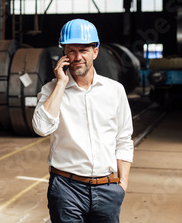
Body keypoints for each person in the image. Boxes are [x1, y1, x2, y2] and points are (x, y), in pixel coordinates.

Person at [32, 19, 133, 223]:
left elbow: (124, 139)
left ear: (95, 51)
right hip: (66, 189)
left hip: (108, 189)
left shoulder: (114, 91)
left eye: (84, 50)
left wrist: (122, 184)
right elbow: (41, 128)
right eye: (71, 51)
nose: (78, 57)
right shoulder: (51, 91)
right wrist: (61, 83)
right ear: (64, 54)